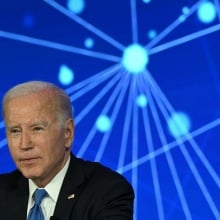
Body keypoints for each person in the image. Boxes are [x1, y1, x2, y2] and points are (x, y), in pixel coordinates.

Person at [0, 80, 134, 220]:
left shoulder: (107, 191)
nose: (24, 144)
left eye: (37, 129)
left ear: (67, 132)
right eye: (15, 131)